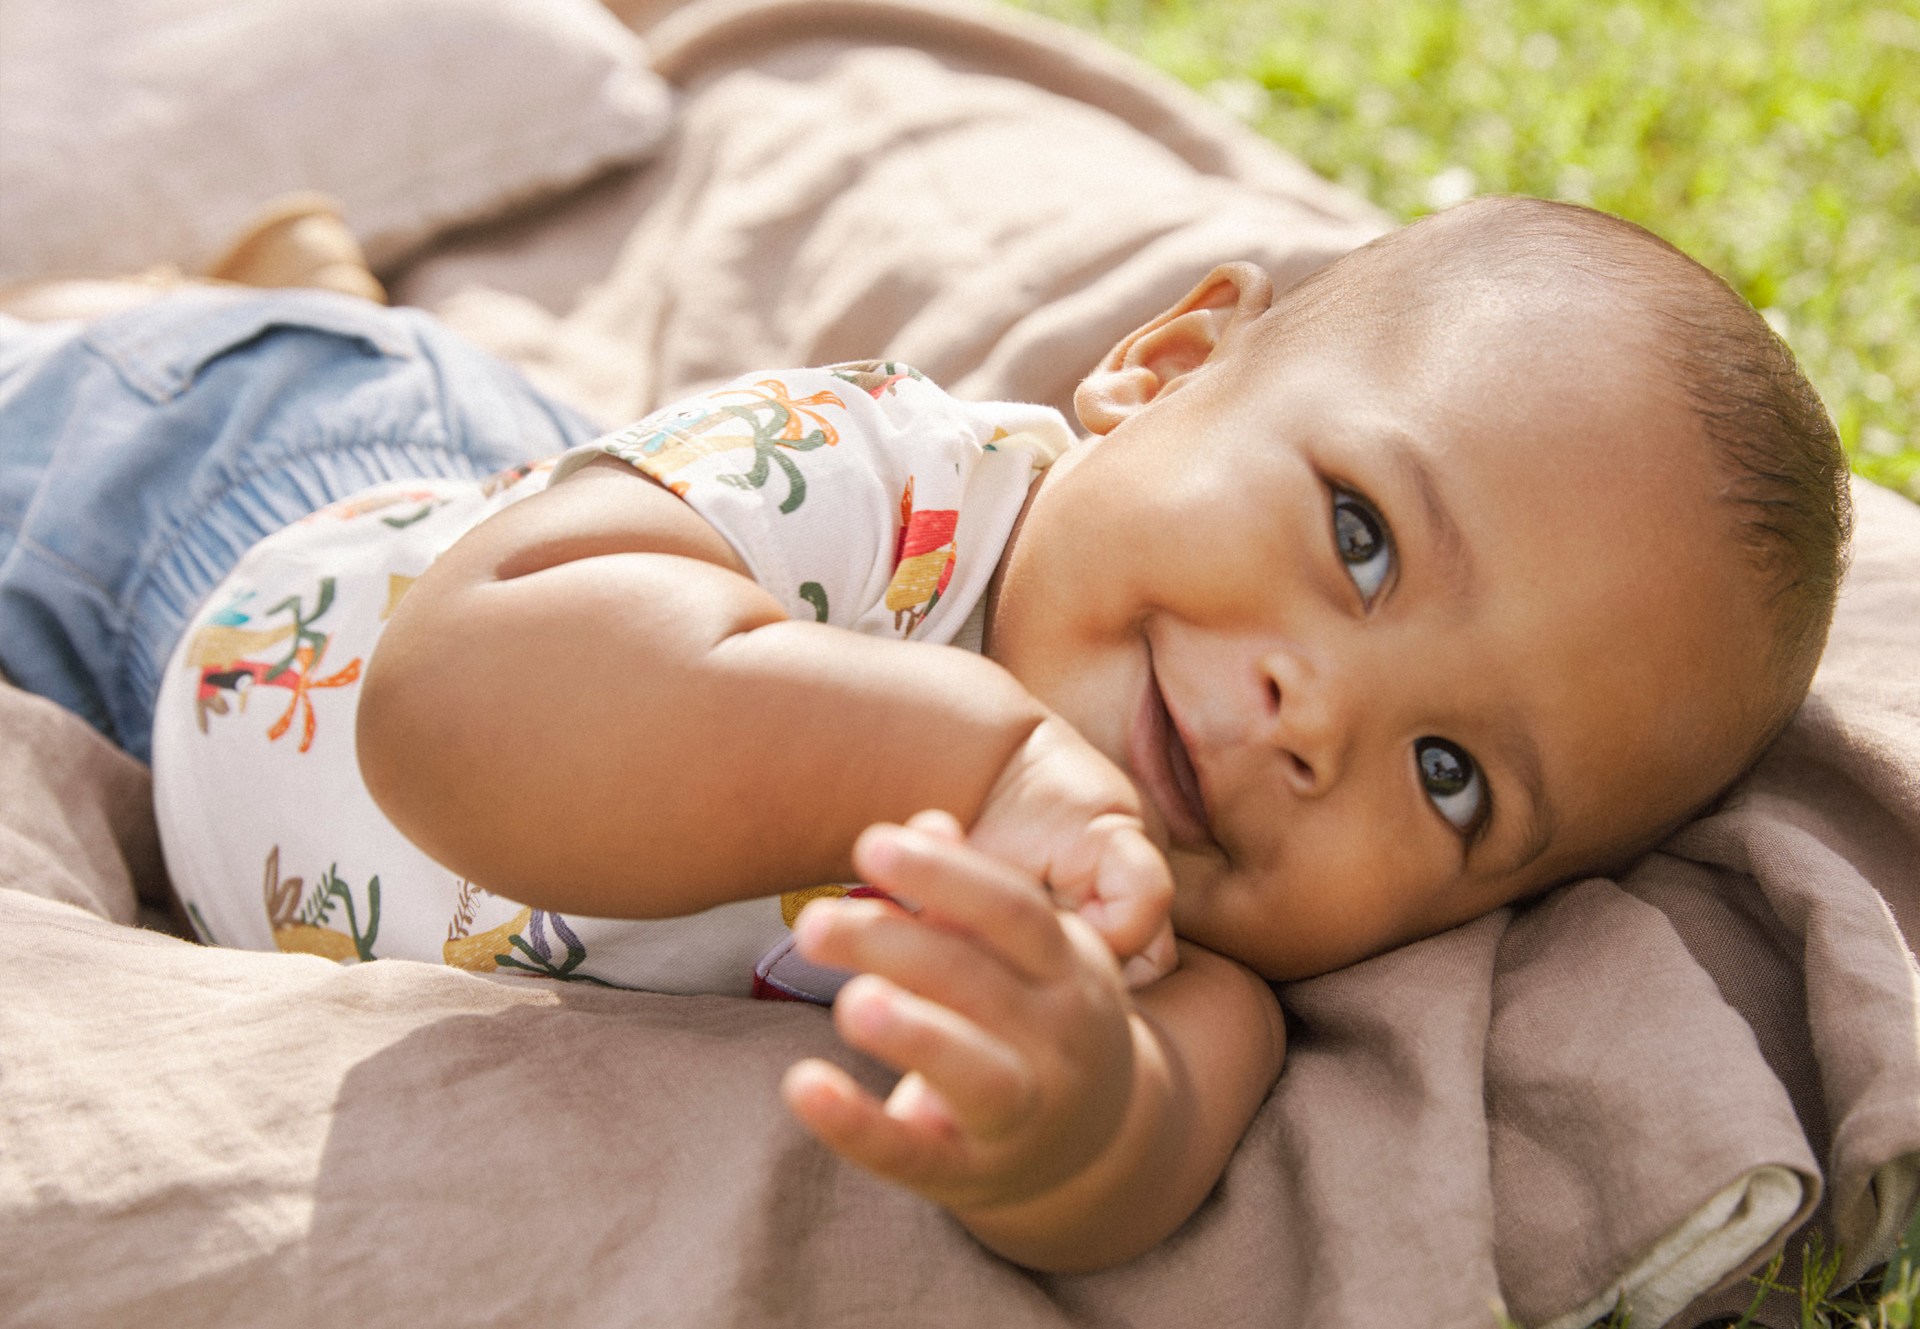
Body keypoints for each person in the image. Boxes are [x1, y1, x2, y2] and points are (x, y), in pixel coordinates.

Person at [0, 196, 1850, 1272]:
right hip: (208, 507)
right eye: (1358, 536)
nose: (1323, 726)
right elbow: (444, 715)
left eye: (1453, 779)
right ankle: (278, 304)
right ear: (1168, 366)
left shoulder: (1175, 959)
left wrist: (1060, 1108)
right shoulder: (876, 488)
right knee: (251, 382)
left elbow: (1120, 1185)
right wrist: (964, 760)